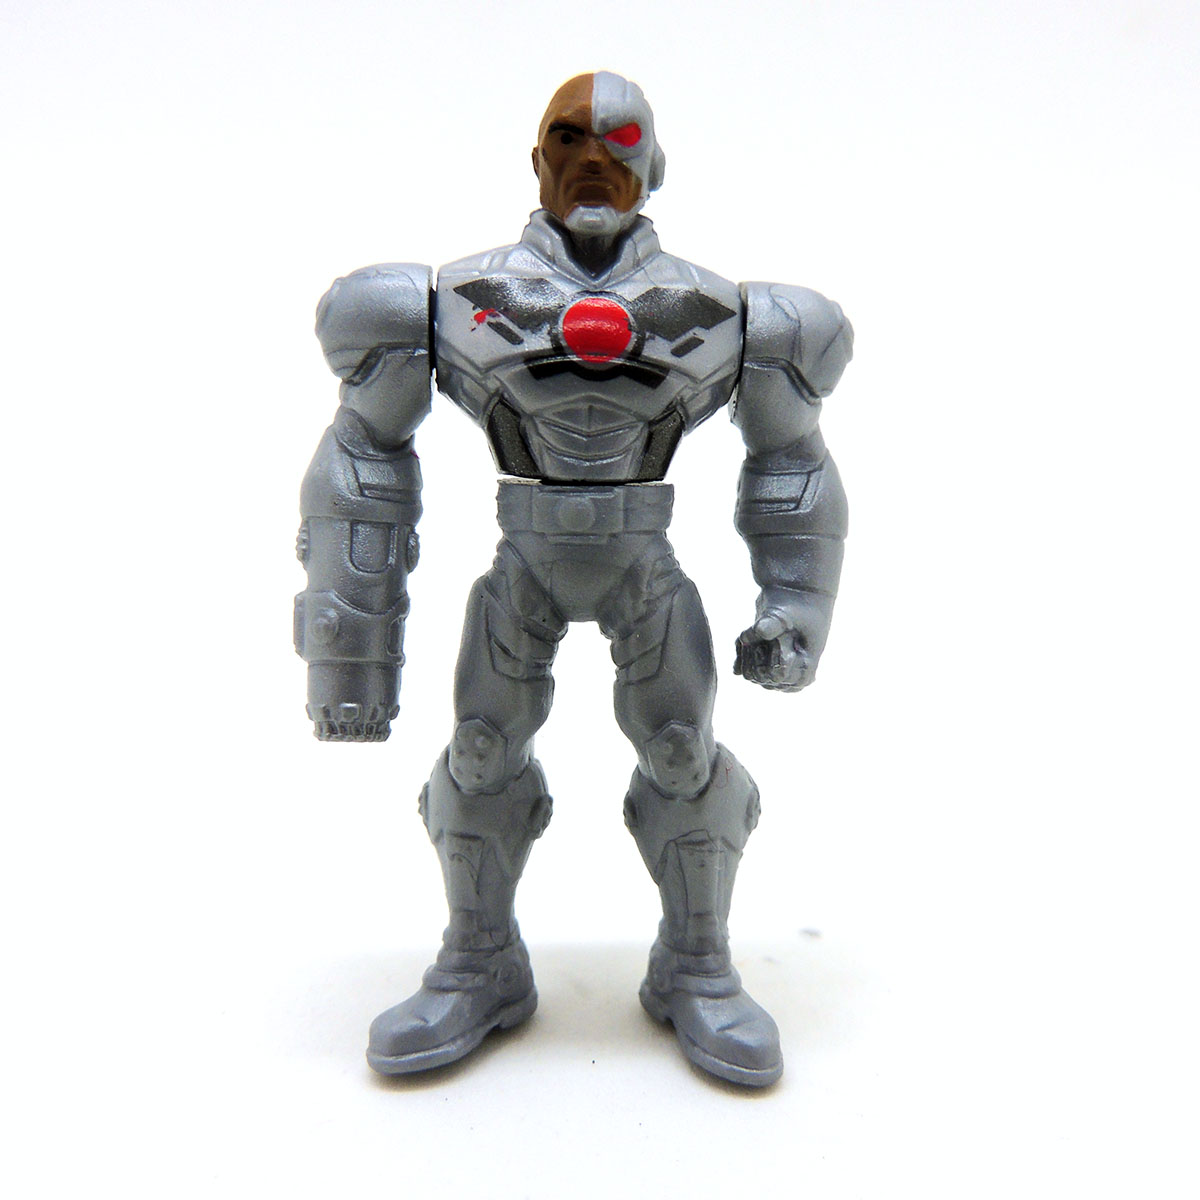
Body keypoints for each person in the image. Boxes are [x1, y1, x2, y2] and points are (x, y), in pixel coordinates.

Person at [295, 71, 852, 1087]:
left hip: (644, 564)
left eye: (620, 140)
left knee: (682, 750)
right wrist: (350, 664)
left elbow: (793, 463)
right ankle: (480, 961)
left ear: (654, 165)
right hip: (527, 562)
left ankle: (696, 964)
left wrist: (795, 606)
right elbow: (361, 461)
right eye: (569, 138)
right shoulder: (455, 302)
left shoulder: (725, 312)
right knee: (480, 751)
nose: (594, 158)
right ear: (537, 160)